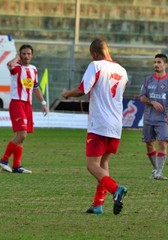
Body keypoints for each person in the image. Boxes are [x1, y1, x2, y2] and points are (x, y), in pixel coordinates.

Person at [62, 38, 128, 215]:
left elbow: (83, 88)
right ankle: (98, 204)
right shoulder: (122, 70)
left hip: (99, 123)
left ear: (96, 54)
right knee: (103, 163)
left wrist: (67, 94)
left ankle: (116, 189)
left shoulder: (96, 65)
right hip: (116, 124)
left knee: (92, 165)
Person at [0, 44, 48, 174]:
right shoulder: (17, 68)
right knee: (22, 134)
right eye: (23, 54)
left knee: (22, 137)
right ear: (20, 55)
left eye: (28, 54)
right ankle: (4, 160)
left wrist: (43, 102)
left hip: (27, 105)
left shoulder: (33, 69)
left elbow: (36, 87)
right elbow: (9, 65)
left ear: (32, 55)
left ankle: (16, 166)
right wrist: (16, 57)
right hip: (17, 103)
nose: (26, 56)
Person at [139, 53, 168, 180]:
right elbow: (142, 97)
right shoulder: (148, 79)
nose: (156, 64)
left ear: (165, 65)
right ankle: (156, 170)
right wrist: (152, 102)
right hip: (149, 118)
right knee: (149, 145)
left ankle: (159, 172)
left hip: (163, 119)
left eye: (159, 62)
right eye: (154, 62)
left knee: (163, 143)